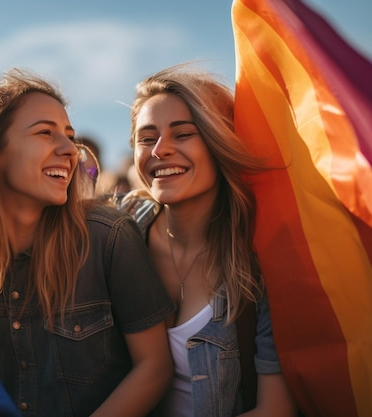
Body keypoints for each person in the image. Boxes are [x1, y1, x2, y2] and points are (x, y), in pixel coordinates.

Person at [0, 68, 175, 417]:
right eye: (45, 133)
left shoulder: (108, 237)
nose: (70, 151)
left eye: (69, 136)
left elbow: (155, 367)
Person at [118, 64, 297, 416]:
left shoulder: (261, 262)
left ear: (220, 143)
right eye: (146, 138)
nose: (159, 150)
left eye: (183, 134)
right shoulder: (117, 234)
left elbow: (276, 409)